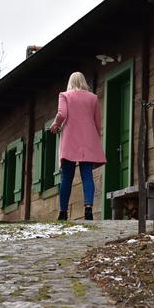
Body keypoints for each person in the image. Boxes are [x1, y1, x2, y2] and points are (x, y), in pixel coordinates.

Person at [49, 72, 106, 220]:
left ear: (70, 82)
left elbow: (62, 114)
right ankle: (88, 209)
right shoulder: (93, 98)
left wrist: (55, 125)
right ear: (84, 81)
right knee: (87, 175)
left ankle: (63, 212)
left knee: (67, 177)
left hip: (70, 140)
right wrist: (95, 139)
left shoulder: (65, 95)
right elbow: (97, 122)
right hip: (88, 140)